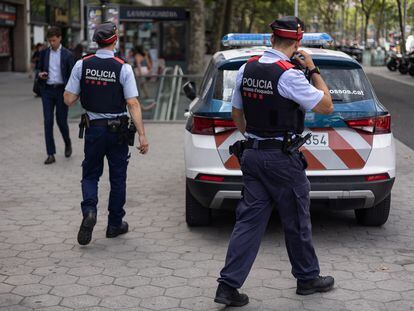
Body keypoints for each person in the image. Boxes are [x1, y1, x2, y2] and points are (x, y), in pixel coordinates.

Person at [214, 16, 335, 307]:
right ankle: (307, 279)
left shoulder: (246, 68)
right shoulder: (290, 74)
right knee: (296, 219)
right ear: (298, 43)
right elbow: (327, 106)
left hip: (252, 155)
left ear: (271, 40)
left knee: (249, 222)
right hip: (281, 159)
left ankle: (228, 286)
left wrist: (257, 138)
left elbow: (236, 115)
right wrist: (313, 69)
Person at [63, 22, 149, 246]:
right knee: (118, 178)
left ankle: (90, 211)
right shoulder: (124, 67)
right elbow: (133, 103)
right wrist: (142, 135)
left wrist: (86, 90)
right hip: (118, 130)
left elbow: (68, 99)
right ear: (115, 39)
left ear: (96, 41)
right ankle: (114, 225)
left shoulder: (82, 65)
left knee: (90, 174)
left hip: (94, 129)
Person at [38, 27, 75, 165]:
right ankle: (50, 154)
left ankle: (67, 142)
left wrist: (72, 94)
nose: (52, 43)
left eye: (54, 40)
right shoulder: (44, 53)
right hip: (47, 90)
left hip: (62, 91)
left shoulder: (68, 55)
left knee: (61, 121)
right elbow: (39, 68)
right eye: (50, 41)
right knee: (48, 121)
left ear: (60, 38)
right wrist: (40, 74)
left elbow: (73, 76)